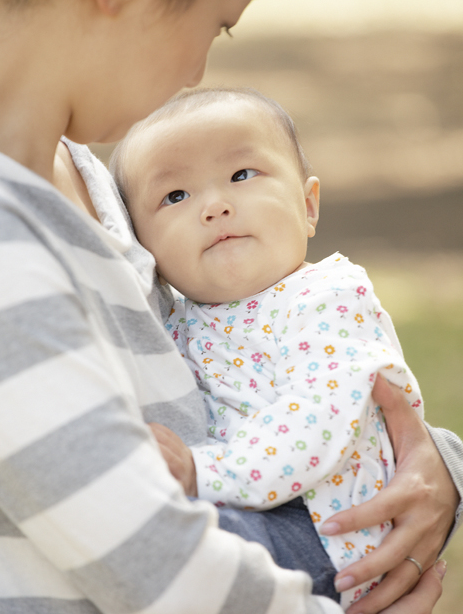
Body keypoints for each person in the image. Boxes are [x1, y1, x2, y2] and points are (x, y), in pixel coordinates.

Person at [0, 0, 460, 612]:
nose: (197, 70)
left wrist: (437, 469)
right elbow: (155, 563)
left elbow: (313, 394)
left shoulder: (96, 185)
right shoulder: (0, 232)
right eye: (222, 20)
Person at [108, 86, 437, 608]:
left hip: (324, 527)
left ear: (308, 206)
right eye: (175, 196)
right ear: (147, 251)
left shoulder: (327, 299)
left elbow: (318, 420)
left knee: (180, 553)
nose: (215, 206)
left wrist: (204, 472)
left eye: (242, 176)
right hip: (255, 511)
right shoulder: (174, 324)